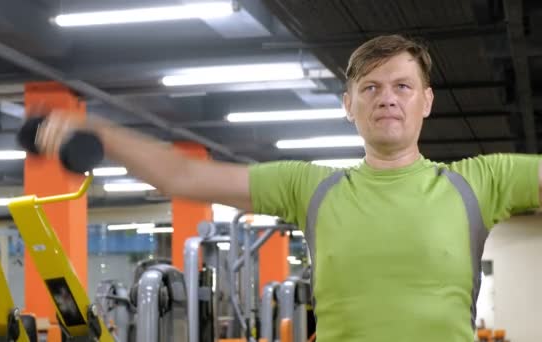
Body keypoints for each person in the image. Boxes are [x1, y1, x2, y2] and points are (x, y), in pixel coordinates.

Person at [34, 34, 542, 341]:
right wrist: (98, 133)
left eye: (402, 87)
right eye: (371, 88)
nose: (387, 99)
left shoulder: (479, 181)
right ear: (348, 104)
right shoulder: (312, 188)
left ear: (426, 101)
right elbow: (183, 176)